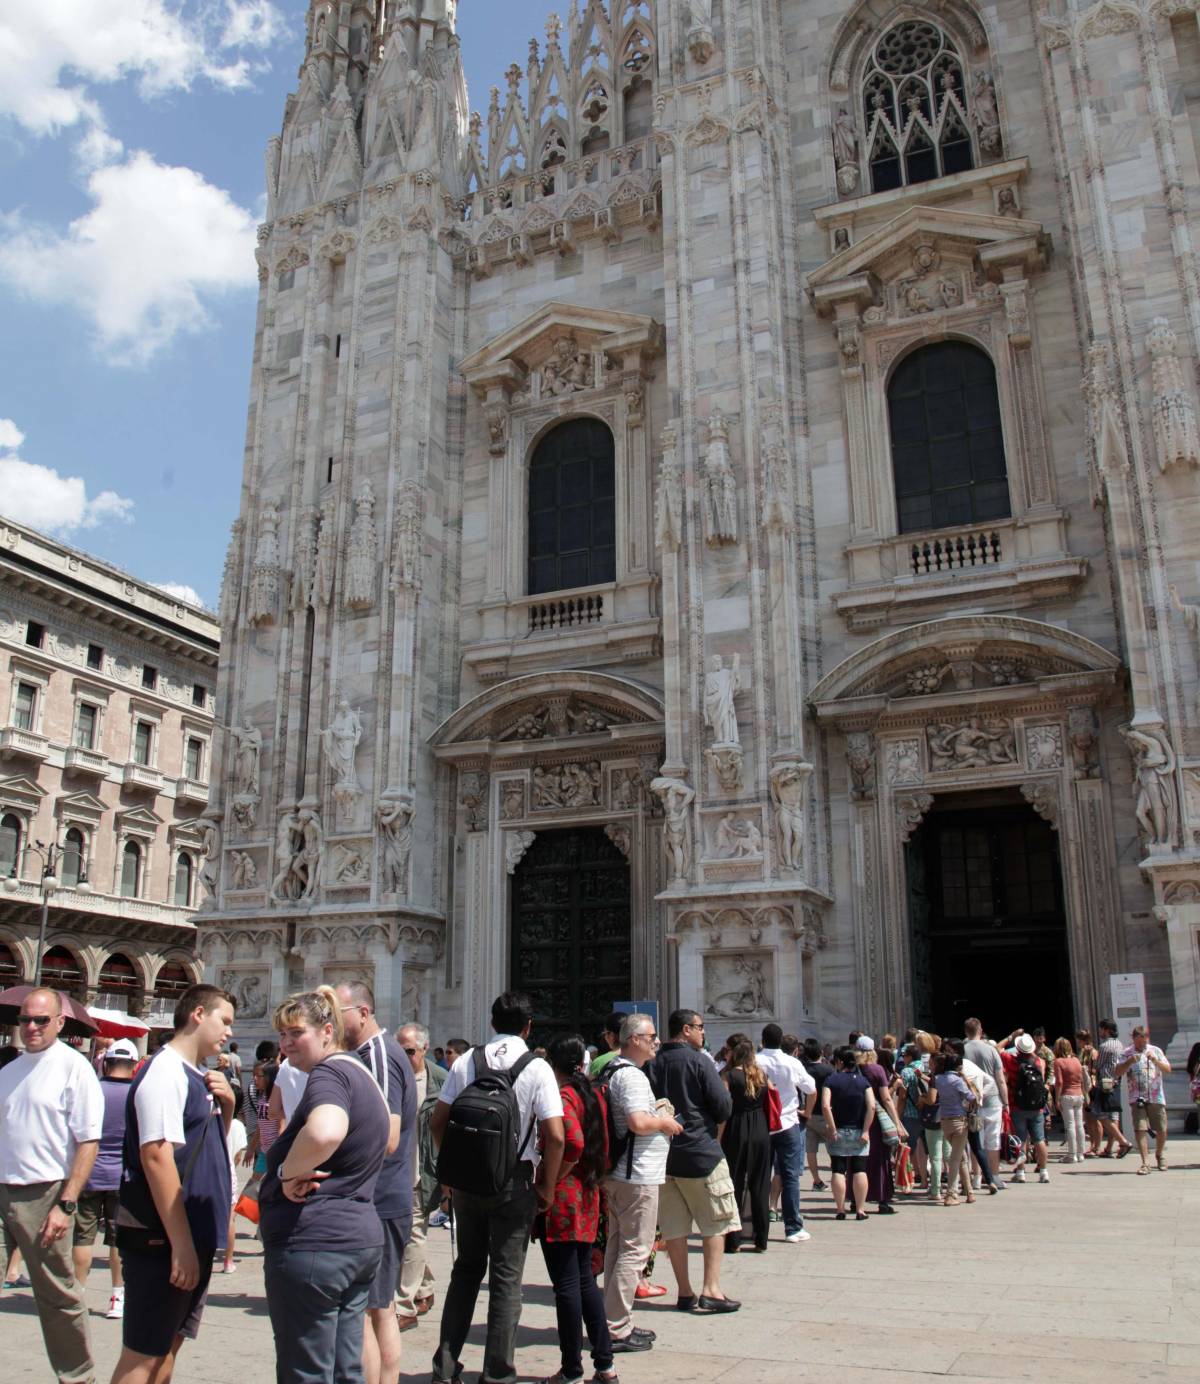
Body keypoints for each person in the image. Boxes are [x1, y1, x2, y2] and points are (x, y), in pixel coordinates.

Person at [259, 986, 393, 1384]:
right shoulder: (363, 1074)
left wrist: (285, 1173)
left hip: (316, 1243)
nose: (285, 1044)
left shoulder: (330, 1074)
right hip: (357, 1243)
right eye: (282, 1035)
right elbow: (387, 1139)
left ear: (327, 1031)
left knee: (307, 1371)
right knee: (344, 1369)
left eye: (296, 1033)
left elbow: (325, 1133)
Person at [430, 992, 565, 1384]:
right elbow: (555, 1136)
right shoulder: (537, 1067)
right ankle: (498, 1374)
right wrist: (547, 1187)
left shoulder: (467, 1061)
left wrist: (451, 1171)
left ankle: (445, 1367)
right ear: (528, 1026)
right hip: (515, 1183)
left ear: (491, 1023)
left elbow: (438, 1123)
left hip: (468, 1184)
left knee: (466, 1271)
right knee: (507, 1278)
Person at [110, 984, 237, 1384]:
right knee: (142, 1356)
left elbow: (203, 1148)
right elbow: (156, 1157)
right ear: (198, 1014)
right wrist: (181, 1246)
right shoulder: (164, 1072)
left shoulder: (196, 1074)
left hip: (188, 1237)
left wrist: (228, 1105)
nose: (230, 1032)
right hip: (162, 1239)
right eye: (225, 1021)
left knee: (166, 1348)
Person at [0, 987, 103, 1384]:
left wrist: (67, 1203)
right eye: (25, 1019)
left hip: (45, 1193)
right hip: (3, 1187)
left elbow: (88, 1141)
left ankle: (77, 1377)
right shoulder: (9, 1072)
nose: (31, 1027)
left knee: (57, 1296)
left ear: (60, 1022)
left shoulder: (73, 1067)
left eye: (41, 1020)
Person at [335, 982, 416, 1384]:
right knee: (376, 1308)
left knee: (370, 1309)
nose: (333, 1021)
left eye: (340, 1012)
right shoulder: (364, 1055)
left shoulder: (379, 1055)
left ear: (363, 1012)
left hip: (379, 1198)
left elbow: (387, 1137)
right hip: (376, 1198)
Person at [647, 1009, 739, 1312]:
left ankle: (684, 1292)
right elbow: (723, 1107)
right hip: (701, 1154)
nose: (703, 1033)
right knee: (716, 1222)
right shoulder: (700, 1061)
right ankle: (711, 1290)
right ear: (686, 1030)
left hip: (665, 1158)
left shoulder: (652, 1063)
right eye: (700, 1027)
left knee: (674, 1228)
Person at [536, 1034, 615, 1384]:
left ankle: (571, 1371)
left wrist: (549, 1185)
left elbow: (572, 1144)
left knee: (566, 1286)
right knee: (584, 1282)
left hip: (564, 1201)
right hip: (587, 1196)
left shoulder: (564, 1097)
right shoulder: (592, 1094)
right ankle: (604, 1364)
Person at [600, 1012, 679, 1354]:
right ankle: (617, 1329)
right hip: (636, 1176)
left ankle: (612, 1321)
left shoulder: (610, 1070)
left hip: (620, 1174)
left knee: (619, 1248)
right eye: (650, 1036)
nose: (656, 1041)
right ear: (633, 1039)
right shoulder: (630, 1076)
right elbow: (636, 1122)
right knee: (634, 1250)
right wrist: (664, 1122)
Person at [75, 1038, 138, 1320]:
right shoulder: (136, 1095)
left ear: (107, 1062)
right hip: (121, 1177)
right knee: (117, 1241)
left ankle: (77, 1295)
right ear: (134, 1066)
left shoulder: (93, 1090)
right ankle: (117, 1297)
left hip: (88, 1174)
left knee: (82, 1238)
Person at [395, 1022, 445, 1330]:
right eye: (398, 1050)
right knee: (403, 1234)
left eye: (409, 1051)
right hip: (391, 1172)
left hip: (421, 1171)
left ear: (425, 1049)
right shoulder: (389, 1078)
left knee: (413, 1233)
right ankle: (424, 1287)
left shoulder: (440, 1080)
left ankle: (404, 1305)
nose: (403, 1056)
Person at [755, 1023, 815, 1243]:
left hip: (761, 1126)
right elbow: (811, 1089)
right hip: (788, 1124)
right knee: (790, 1177)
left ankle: (756, 1228)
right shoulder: (792, 1062)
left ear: (762, 1039)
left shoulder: (754, 1061)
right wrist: (806, 1113)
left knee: (759, 1177)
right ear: (781, 1041)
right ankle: (793, 1228)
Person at [719, 1039, 772, 1253]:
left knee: (734, 1184)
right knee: (760, 1186)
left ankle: (734, 1241)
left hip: (736, 1128)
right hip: (760, 1128)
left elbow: (724, 1109)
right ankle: (761, 1240)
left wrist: (718, 1136)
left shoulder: (729, 1076)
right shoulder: (761, 1075)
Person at [821, 1046, 875, 1220]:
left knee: (838, 1169)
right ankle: (860, 1209)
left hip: (838, 1130)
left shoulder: (831, 1080)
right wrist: (866, 1130)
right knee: (860, 1169)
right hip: (859, 1130)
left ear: (840, 1062)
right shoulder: (863, 1081)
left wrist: (832, 1127)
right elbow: (872, 1106)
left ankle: (840, 1209)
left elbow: (824, 1105)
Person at [857, 1038, 905, 1214]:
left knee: (857, 1160)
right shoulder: (877, 1070)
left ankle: (857, 1199)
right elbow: (886, 1098)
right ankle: (882, 1199)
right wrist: (897, 1123)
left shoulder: (854, 1069)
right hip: (876, 1120)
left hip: (857, 1118)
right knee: (880, 1159)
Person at [1114, 1026, 1172, 1174]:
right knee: (1140, 1129)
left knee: (1161, 1128)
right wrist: (1128, 1062)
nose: (1141, 1045)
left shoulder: (1156, 1050)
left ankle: (1159, 1154)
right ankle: (1145, 1162)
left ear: (1147, 1038)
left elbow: (1167, 1069)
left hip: (1156, 1096)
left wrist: (1155, 1061)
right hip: (1136, 1097)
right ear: (1133, 1039)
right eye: (1138, 1042)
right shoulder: (1127, 1053)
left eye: (1143, 1041)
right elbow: (1117, 1072)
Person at [1000, 1033, 1051, 1183]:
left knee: (1020, 1139)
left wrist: (1012, 1036)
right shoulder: (1040, 1061)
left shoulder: (1012, 1061)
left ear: (1018, 1048)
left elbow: (996, 1048)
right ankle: (1043, 1172)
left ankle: (1021, 1172)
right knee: (1039, 1139)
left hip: (1018, 1105)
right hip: (1037, 1107)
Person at [963, 1019, 1008, 1181]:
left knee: (976, 1141)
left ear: (966, 1032)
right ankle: (994, 1177)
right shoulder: (991, 1050)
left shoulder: (963, 1050)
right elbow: (1000, 1079)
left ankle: (976, 1177)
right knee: (993, 1140)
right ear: (980, 1031)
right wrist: (1006, 1102)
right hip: (992, 1099)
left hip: (972, 1101)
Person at [930, 1051, 977, 1206]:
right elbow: (972, 1097)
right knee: (955, 1159)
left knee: (960, 1156)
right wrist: (966, 1080)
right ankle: (951, 1194)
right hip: (959, 1121)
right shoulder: (957, 1080)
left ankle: (969, 1192)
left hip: (945, 1121)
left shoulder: (938, 1079)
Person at [1089, 1019, 1133, 1158]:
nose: (1100, 1032)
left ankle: (1123, 1141)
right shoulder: (1119, 1044)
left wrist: (1094, 1058)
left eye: (1101, 1029)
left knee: (1100, 1113)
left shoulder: (1105, 1046)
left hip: (1106, 1083)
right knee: (1113, 1114)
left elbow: (1098, 1065)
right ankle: (1108, 1149)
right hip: (1116, 1081)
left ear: (1107, 1030)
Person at [800, 1037, 833, 1190]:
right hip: (825, 1112)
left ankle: (816, 1180)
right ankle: (837, 1176)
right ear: (821, 1052)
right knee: (832, 1147)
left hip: (808, 1113)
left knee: (811, 1149)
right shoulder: (828, 1070)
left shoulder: (803, 1070)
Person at [1052, 1037, 1088, 1164]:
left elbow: (1059, 1082)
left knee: (1070, 1125)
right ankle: (1081, 1153)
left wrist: (1057, 1099)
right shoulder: (1076, 1060)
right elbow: (1082, 1079)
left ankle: (1071, 1155)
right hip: (1079, 1095)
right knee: (1079, 1125)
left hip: (1066, 1095)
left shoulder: (1058, 1062)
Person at [588, 1013, 626, 1079]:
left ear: (611, 1035)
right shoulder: (639, 1057)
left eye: (605, 1033)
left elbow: (590, 1087)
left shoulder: (599, 1062)